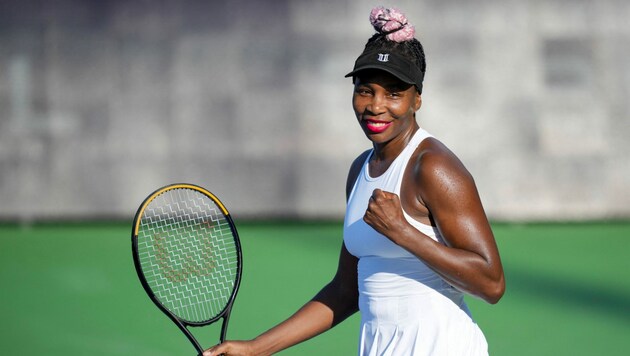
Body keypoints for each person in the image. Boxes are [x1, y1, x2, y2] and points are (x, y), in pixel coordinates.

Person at [205, 6, 504, 356]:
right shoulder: (360, 169)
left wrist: (402, 232)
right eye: (366, 90)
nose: (376, 106)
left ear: (416, 100)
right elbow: (347, 290)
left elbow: (491, 283)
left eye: (394, 93)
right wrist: (256, 348)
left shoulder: (433, 167)